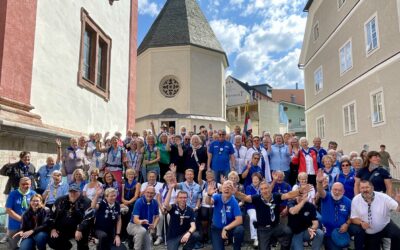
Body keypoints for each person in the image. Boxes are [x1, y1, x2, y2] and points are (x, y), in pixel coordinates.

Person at [235, 180, 312, 250]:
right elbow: (245, 197)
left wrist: (300, 191)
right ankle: (270, 242)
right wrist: (235, 192)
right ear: (260, 191)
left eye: (266, 188)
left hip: (276, 227)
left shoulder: (276, 196)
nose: (264, 191)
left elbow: (288, 195)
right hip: (263, 229)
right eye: (262, 189)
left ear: (270, 189)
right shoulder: (257, 198)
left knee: (287, 231)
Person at [316, 169, 364, 250]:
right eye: (335, 189)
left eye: (339, 190)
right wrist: (319, 182)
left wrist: (347, 224)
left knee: (359, 230)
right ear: (331, 190)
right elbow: (320, 191)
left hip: (343, 229)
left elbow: (352, 216)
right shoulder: (326, 197)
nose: (337, 192)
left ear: (343, 191)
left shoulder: (348, 201)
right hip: (329, 232)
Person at [350, 180, 400, 250]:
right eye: (362, 188)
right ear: (359, 189)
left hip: (385, 225)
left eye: (367, 187)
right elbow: (353, 218)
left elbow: (397, 209)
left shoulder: (383, 197)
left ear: (372, 188)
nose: (365, 190)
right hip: (371, 232)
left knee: (397, 234)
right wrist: (361, 223)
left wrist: (398, 202)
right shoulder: (355, 200)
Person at [47, 183, 92, 250]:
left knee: (82, 242)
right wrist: (52, 229)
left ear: (79, 192)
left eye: (75, 192)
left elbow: (88, 218)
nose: (73, 194)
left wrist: (79, 229)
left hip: (79, 228)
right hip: (62, 228)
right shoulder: (60, 200)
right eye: (71, 192)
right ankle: (67, 246)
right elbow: (51, 215)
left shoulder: (86, 201)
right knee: (52, 240)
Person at [206, 180, 244, 250]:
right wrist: (209, 195)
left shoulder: (234, 201)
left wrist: (226, 228)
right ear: (221, 189)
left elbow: (239, 220)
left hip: (230, 229)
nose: (226, 188)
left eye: (229, 187)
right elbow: (209, 203)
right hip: (216, 229)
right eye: (225, 187)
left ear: (232, 191)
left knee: (239, 229)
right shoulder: (217, 197)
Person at [5, 177, 36, 249]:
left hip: (29, 224)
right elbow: (8, 210)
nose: (25, 186)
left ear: (30, 184)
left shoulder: (33, 193)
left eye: (27, 184)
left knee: (29, 245)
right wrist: (21, 219)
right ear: (19, 184)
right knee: (13, 245)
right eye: (23, 184)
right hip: (14, 224)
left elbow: (37, 208)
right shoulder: (13, 194)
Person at [126, 186, 160, 250]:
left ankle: (134, 240)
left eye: (152, 193)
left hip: (145, 228)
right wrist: (140, 221)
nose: (149, 194)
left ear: (154, 194)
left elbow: (157, 217)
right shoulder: (139, 202)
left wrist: (154, 225)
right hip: (133, 225)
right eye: (148, 192)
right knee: (142, 231)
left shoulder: (155, 202)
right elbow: (135, 219)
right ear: (144, 192)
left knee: (149, 248)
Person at [197, 163, 220, 243]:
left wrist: (224, 182)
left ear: (213, 176)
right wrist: (200, 171)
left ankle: (211, 236)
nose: (209, 177)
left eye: (211, 176)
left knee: (212, 216)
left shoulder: (217, 185)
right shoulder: (203, 183)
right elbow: (199, 180)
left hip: (214, 206)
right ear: (206, 177)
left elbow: (224, 189)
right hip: (204, 205)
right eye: (207, 176)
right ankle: (205, 233)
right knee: (204, 215)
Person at [154, 170, 178, 246]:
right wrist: (161, 207)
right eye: (167, 176)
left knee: (169, 216)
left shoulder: (175, 185)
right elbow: (158, 198)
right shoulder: (162, 186)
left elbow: (177, 199)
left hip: (173, 206)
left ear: (173, 177)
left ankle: (171, 235)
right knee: (159, 215)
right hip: (163, 206)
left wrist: (168, 208)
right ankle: (159, 236)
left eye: (170, 176)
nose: (169, 177)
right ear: (165, 177)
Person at [121, 168, 141, 247]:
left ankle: (130, 237)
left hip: (133, 203)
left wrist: (128, 203)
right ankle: (123, 235)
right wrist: (124, 202)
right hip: (124, 203)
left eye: (132, 174)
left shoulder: (137, 184)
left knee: (130, 215)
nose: (131, 176)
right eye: (129, 174)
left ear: (134, 175)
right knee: (121, 216)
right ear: (126, 175)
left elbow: (136, 196)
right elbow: (122, 197)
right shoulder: (123, 184)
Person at [245, 173, 262, 247]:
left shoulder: (262, 187)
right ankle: (255, 238)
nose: (255, 180)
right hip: (251, 207)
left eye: (256, 179)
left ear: (259, 180)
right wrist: (258, 198)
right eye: (253, 179)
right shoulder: (249, 187)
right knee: (253, 218)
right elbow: (250, 199)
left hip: (261, 206)